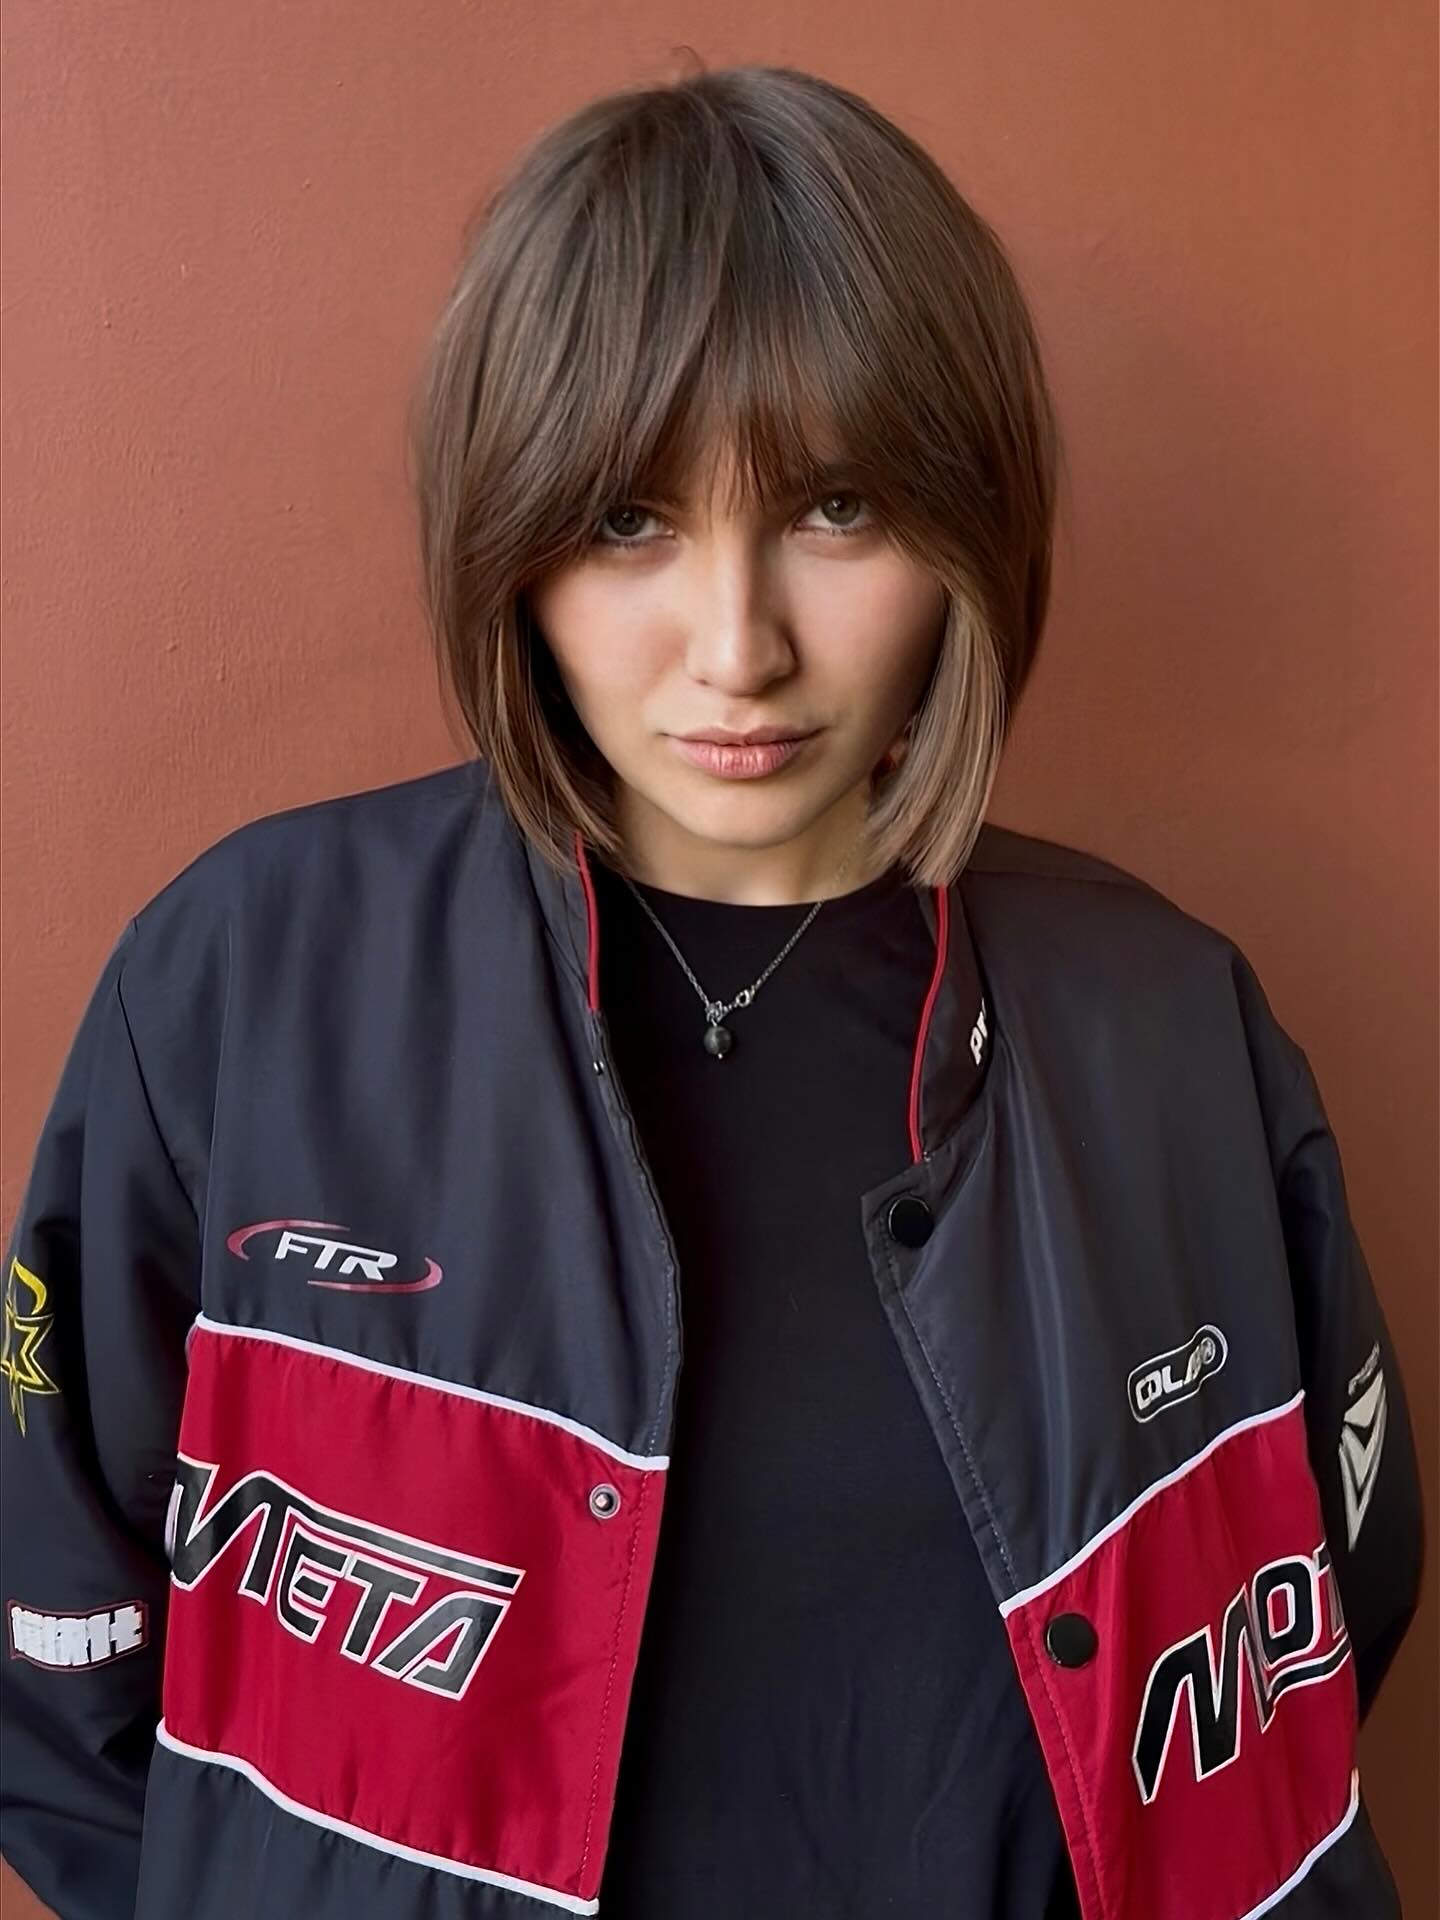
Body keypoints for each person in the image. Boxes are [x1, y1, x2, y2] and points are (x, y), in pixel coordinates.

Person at [0, 61, 1423, 1920]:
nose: (737, 648)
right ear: (509, 543)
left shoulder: (1168, 1029)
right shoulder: (248, 983)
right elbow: (59, 1641)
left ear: (967, 527)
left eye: (837, 508)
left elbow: (1321, 1624)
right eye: (628, 525)